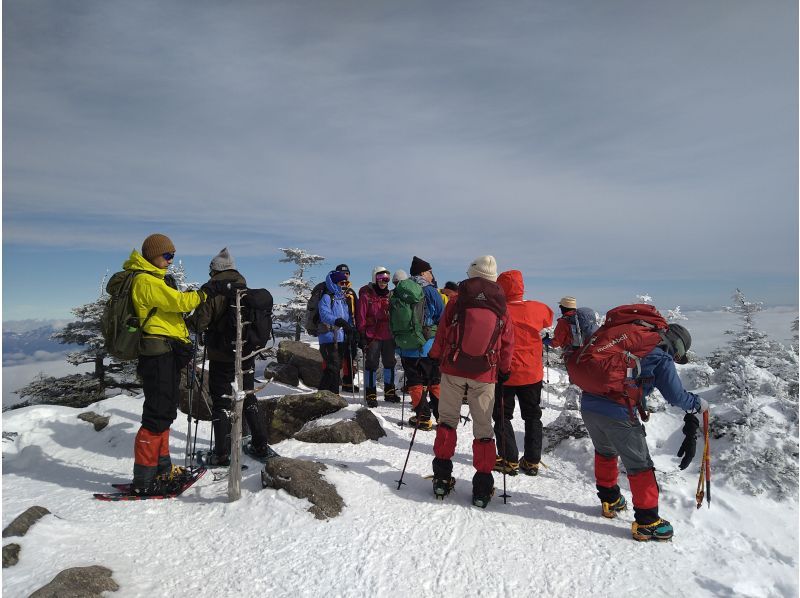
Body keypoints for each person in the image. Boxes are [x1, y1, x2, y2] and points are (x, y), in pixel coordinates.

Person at [577, 318, 708, 541]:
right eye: (678, 355)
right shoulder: (659, 355)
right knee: (641, 466)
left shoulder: (628, 345)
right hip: (618, 413)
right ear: (676, 346)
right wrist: (698, 404)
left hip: (590, 406)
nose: (675, 359)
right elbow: (675, 396)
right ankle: (648, 522)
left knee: (606, 453)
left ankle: (610, 500)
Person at [428, 256, 514, 508]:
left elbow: (443, 332)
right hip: (485, 374)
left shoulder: (457, 301)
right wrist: (505, 370)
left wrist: (435, 358)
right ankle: (482, 488)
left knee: (447, 422)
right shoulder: (501, 305)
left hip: (453, 369)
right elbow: (508, 342)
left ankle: (442, 478)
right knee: (483, 428)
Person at [125, 233, 207, 495]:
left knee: (165, 412)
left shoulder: (156, 279)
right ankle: (144, 480)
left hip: (166, 352)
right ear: (153, 255)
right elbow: (179, 302)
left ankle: (161, 468)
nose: (171, 260)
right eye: (167, 255)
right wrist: (205, 293)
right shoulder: (146, 280)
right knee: (156, 415)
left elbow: (172, 310)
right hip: (157, 355)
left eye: (173, 256)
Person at [188, 248, 277, 465]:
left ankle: (222, 453)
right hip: (246, 353)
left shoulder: (213, 290)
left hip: (222, 354)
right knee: (247, 395)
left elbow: (200, 322)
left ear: (214, 270)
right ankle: (260, 445)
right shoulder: (243, 286)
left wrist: (185, 321)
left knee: (221, 401)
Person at [493, 270, 553, 477]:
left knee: (502, 416)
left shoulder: (497, 309)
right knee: (532, 416)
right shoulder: (537, 308)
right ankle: (531, 460)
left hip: (505, 373)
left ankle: (509, 460)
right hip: (531, 373)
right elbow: (549, 319)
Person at [394, 256, 444, 430]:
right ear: (423, 272)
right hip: (427, 345)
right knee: (434, 381)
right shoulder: (429, 290)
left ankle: (422, 418)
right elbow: (441, 315)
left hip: (406, 346)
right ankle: (442, 418)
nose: (432, 275)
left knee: (414, 381)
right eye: (430, 271)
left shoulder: (401, 289)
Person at [356, 266, 397, 407]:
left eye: (386, 279)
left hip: (388, 335)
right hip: (372, 335)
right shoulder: (366, 297)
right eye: (380, 278)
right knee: (371, 364)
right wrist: (361, 334)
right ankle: (371, 392)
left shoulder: (390, 296)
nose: (383, 282)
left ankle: (389, 391)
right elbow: (360, 317)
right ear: (375, 278)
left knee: (389, 362)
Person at [317, 270, 354, 395]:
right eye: (341, 282)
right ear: (334, 283)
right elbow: (324, 315)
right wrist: (338, 321)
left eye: (345, 282)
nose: (344, 284)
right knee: (332, 368)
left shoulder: (341, 298)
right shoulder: (327, 297)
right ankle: (322, 396)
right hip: (328, 337)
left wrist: (350, 327)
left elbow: (347, 316)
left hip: (340, 337)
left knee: (336, 368)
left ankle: (333, 396)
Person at [334, 264, 360, 393]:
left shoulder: (351, 292)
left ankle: (348, 383)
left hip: (351, 329)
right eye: (342, 273)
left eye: (347, 274)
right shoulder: (332, 290)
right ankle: (332, 382)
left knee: (350, 356)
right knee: (336, 357)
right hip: (336, 330)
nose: (345, 275)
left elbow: (358, 311)